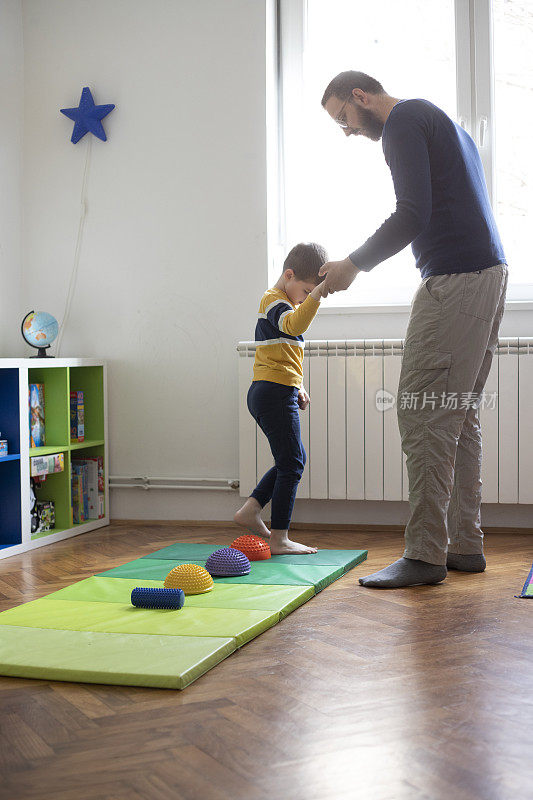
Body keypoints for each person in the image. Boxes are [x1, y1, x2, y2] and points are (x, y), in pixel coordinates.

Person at [319, 71, 508, 588]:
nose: (348, 131)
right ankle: (464, 547)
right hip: (488, 275)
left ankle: (425, 554)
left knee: (421, 411)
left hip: (456, 280)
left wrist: (351, 265)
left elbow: (412, 215)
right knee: (458, 414)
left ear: (361, 96)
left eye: (344, 119)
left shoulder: (402, 121)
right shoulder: (440, 120)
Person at [234, 243, 327, 554]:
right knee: (292, 464)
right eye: (305, 289)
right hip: (271, 393)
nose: (305, 296)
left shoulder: (282, 303)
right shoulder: (274, 300)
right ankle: (279, 537)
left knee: (291, 460)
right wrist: (316, 297)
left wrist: (296, 386)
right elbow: (293, 325)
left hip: (275, 390)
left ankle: (251, 509)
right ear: (289, 275)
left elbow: (281, 353)